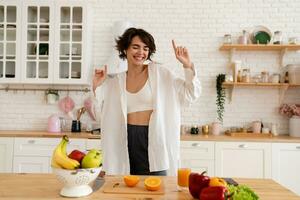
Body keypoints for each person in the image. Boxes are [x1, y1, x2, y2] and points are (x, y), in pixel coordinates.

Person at [93, 28, 201, 176]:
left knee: (157, 188)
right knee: (124, 189)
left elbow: (191, 93)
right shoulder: (116, 81)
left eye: (145, 48)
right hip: (125, 138)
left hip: (153, 138)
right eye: (135, 47)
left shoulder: (161, 74)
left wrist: (187, 66)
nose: (141, 52)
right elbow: (98, 110)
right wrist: (96, 86)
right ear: (125, 49)